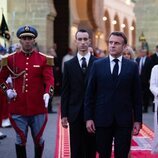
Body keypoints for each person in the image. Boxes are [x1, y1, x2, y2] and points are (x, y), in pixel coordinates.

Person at [85, 31, 142, 158]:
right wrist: (88, 118)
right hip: (102, 119)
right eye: (110, 42)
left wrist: (138, 120)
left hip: (124, 120)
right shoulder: (97, 65)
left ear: (124, 46)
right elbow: (90, 94)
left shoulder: (132, 66)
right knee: (103, 154)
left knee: (121, 154)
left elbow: (137, 96)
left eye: (116, 43)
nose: (112, 45)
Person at [0, 25, 54, 158]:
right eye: (24, 38)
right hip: (18, 108)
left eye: (30, 38)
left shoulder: (43, 59)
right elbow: (1, 79)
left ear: (34, 40)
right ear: (20, 40)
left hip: (38, 108)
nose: (27, 41)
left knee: (39, 139)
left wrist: (48, 93)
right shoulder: (11, 59)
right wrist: (7, 91)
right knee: (20, 139)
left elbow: (49, 80)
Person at [61, 29, 97, 158]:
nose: (82, 42)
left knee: (91, 147)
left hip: (93, 113)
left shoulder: (98, 63)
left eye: (85, 39)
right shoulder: (69, 65)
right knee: (76, 148)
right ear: (75, 42)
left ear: (89, 41)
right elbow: (65, 91)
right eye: (80, 39)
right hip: (74, 112)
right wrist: (64, 114)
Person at [136, 48, 151, 113]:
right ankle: (140, 108)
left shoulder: (149, 60)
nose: (142, 53)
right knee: (139, 94)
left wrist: (150, 79)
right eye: (141, 52)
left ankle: (145, 108)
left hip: (146, 80)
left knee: (146, 95)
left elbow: (150, 70)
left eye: (144, 52)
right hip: (138, 80)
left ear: (146, 53)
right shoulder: (137, 59)